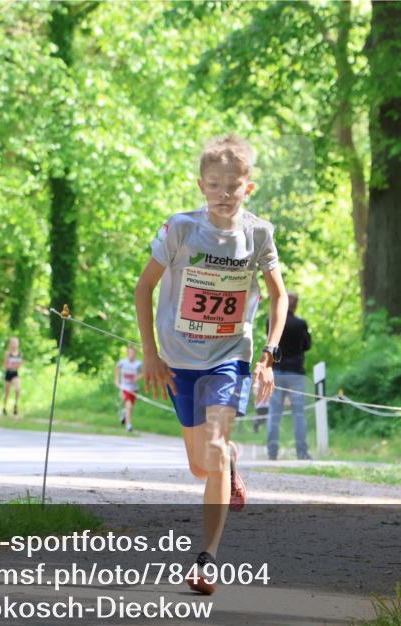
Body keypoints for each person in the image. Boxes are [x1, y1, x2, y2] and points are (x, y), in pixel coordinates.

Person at [135, 133, 288, 595]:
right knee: (202, 467)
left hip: (229, 357)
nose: (224, 193)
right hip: (180, 359)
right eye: (215, 184)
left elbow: (279, 298)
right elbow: (144, 289)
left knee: (216, 449)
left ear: (249, 187)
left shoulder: (259, 234)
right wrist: (150, 353)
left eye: (233, 185)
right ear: (200, 185)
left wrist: (267, 356)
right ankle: (231, 465)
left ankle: (206, 559)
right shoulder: (180, 229)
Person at [266, 292, 312, 460]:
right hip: (296, 373)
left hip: (276, 372)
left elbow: (269, 343)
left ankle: (272, 452)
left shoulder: (271, 321)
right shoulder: (301, 324)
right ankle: (302, 452)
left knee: (274, 414)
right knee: (299, 415)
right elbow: (307, 345)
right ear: (296, 305)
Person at [114, 345, 143, 432]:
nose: (131, 355)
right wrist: (116, 380)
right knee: (129, 405)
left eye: (132, 353)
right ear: (127, 353)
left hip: (133, 389)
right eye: (129, 353)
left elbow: (144, 372)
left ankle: (124, 414)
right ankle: (128, 426)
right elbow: (117, 368)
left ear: (135, 354)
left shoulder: (138, 364)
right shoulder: (123, 362)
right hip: (125, 388)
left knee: (130, 407)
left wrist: (137, 378)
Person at [2, 337, 23, 416]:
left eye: (16, 343)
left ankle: (15, 406)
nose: (14, 344)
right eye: (13, 343)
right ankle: (4, 407)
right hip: (8, 374)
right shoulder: (7, 353)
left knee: (17, 389)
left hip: (15, 374)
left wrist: (17, 366)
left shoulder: (20, 353)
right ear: (10, 344)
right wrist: (10, 366)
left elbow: (20, 364)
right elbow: (5, 365)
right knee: (7, 392)